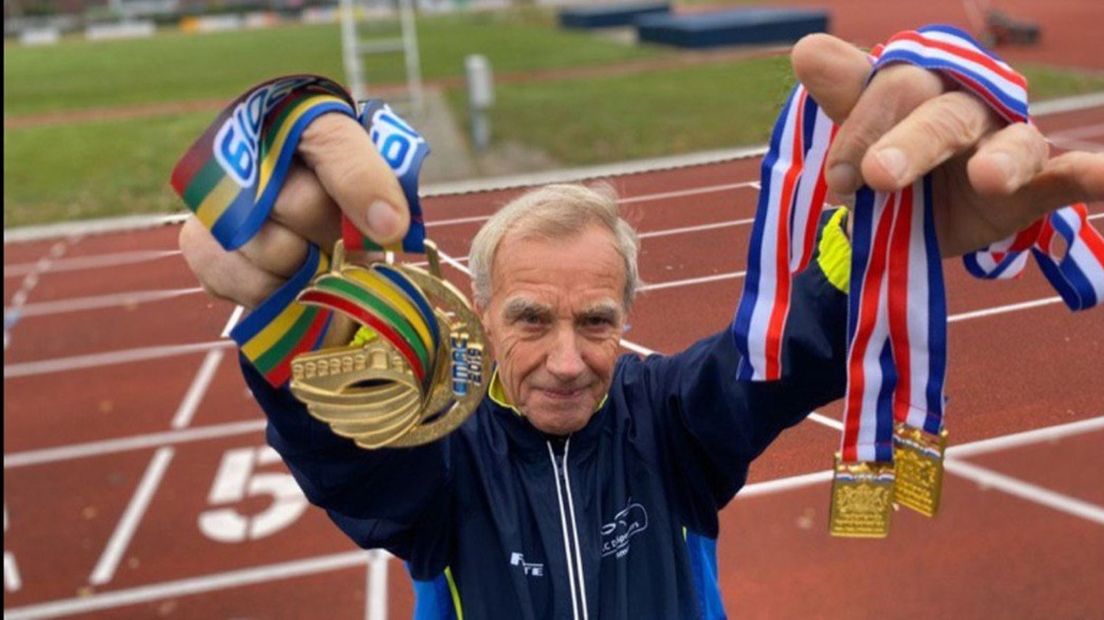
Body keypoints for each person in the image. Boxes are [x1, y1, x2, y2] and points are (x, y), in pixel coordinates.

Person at [179, 33, 1104, 618]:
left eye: (598, 319)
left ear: (630, 320)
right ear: (481, 315)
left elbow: (791, 352)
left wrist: (880, 237)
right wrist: (291, 309)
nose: (569, 361)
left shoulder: (674, 419)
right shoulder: (442, 456)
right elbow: (348, 450)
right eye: (531, 318)